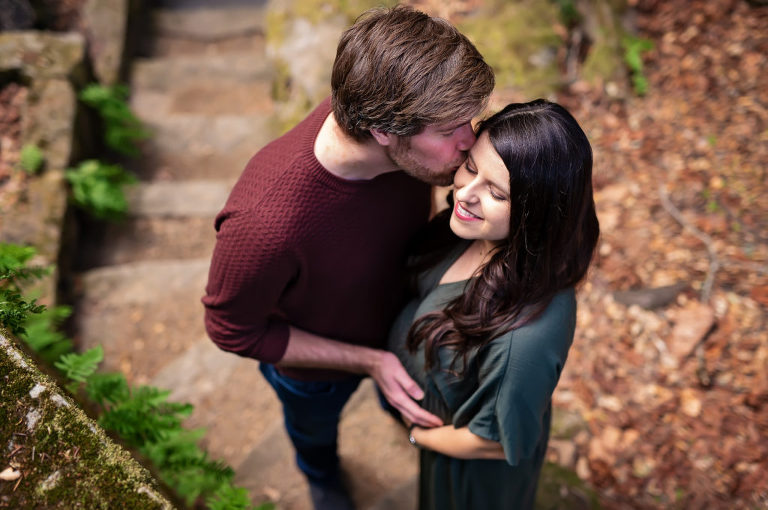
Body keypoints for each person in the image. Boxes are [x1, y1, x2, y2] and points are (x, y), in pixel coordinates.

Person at [201, 5, 494, 509]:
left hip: (401, 329)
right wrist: (368, 362)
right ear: (384, 130)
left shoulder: (391, 121)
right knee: (314, 436)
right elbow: (231, 329)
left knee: (404, 405)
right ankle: (322, 477)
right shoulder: (263, 224)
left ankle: (398, 422)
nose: (469, 141)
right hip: (315, 375)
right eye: (450, 130)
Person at [387, 99, 600, 510]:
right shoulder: (476, 233)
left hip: (470, 480)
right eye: (471, 166)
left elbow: (495, 442)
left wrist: (420, 435)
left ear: (534, 215)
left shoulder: (527, 337)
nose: (465, 193)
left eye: (496, 192)